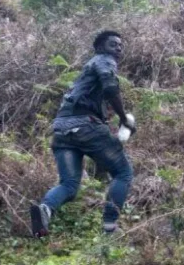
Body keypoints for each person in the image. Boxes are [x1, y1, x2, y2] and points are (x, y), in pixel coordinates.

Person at [30, 30, 135, 237]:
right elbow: (110, 86)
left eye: (120, 45)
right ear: (100, 48)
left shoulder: (85, 74)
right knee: (123, 173)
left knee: (68, 185)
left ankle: (45, 210)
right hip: (86, 126)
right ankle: (110, 228)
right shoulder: (104, 60)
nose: (118, 49)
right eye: (113, 44)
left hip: (61, 129)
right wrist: (124, 118)